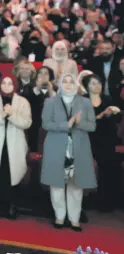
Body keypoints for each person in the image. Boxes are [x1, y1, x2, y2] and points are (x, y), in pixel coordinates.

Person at [41, 73, 97, 231]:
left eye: (71, 81)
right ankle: (59, 216)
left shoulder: (85, 102)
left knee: (76, 183)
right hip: (56, 145)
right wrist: (67, 124)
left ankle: (74, 218)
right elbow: (46, 124)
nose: (67, 84)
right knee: (57, 182)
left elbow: (92, 126)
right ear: (59, 84)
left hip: (79, 147)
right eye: (64, 81)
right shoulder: (50, 101)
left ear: (76, 84)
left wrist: (79, 123)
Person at [0, 76, 32, 219]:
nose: (7, 86)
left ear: (15, 85)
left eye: (10, 83)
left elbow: (27, 123)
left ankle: (11, 204)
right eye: (4, 83)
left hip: (15, 143)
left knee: (12, 172)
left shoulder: (23, 102)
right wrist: (2, 115)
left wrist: (11, 115)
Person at [83, 74, 122, 212]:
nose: (97, 86)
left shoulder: (107, 99)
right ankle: (86, 200)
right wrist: (101, 115)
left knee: (109, 166)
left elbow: (115, 118)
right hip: (88, 139)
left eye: (98, 83)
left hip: (107, 138)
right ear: (87, 86)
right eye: (93, 83)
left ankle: (106, 200)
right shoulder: (83, 100)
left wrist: (115, 112)